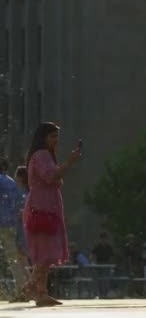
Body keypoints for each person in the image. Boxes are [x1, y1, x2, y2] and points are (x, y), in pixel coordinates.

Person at [22, 122, 80, 306]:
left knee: (44, 252)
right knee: (45, 252)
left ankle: (41, 292)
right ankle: (31, 287)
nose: (56, 141)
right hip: (42, 208)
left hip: (45, 206)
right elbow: (50, 176)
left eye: (57, 137)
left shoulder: (42, 155)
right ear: (44, 137)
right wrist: (69, 163)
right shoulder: (42, 155)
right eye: (53, 136)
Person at [0, 158, 30, 302]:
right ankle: (22, 290)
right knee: (14, 260)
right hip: (11, 224)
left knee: (12, 259)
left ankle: (17, 291)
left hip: (2, 224)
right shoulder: (11, 182)